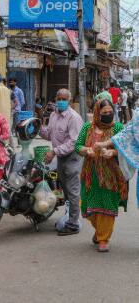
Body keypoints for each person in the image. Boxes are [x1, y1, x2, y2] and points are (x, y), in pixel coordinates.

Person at [75, 99, 126, 252]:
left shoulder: (118, 127)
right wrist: (86, 150)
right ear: (97, 113)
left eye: (110, 112)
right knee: (88, 207)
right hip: (90, 174)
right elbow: (77, 145)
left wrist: (112, 152)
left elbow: (125, 149)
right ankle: (99, 233)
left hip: (111, 176)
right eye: (104, 113)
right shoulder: (87, 127)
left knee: (107, 206)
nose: (108, 115)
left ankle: (103, 239)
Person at [40, 88, 84, 236]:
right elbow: (49, 135)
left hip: (72, 158)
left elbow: (73, 142)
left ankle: (73, 224)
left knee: (72, 192)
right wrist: (38, 128)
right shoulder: (53, 115)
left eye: (64, 99)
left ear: (70, 101)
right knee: (65, 190)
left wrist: (54, 151)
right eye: (58, 98)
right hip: (61, 158)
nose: (60, 101)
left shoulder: (74, 118)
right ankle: (69, 217)